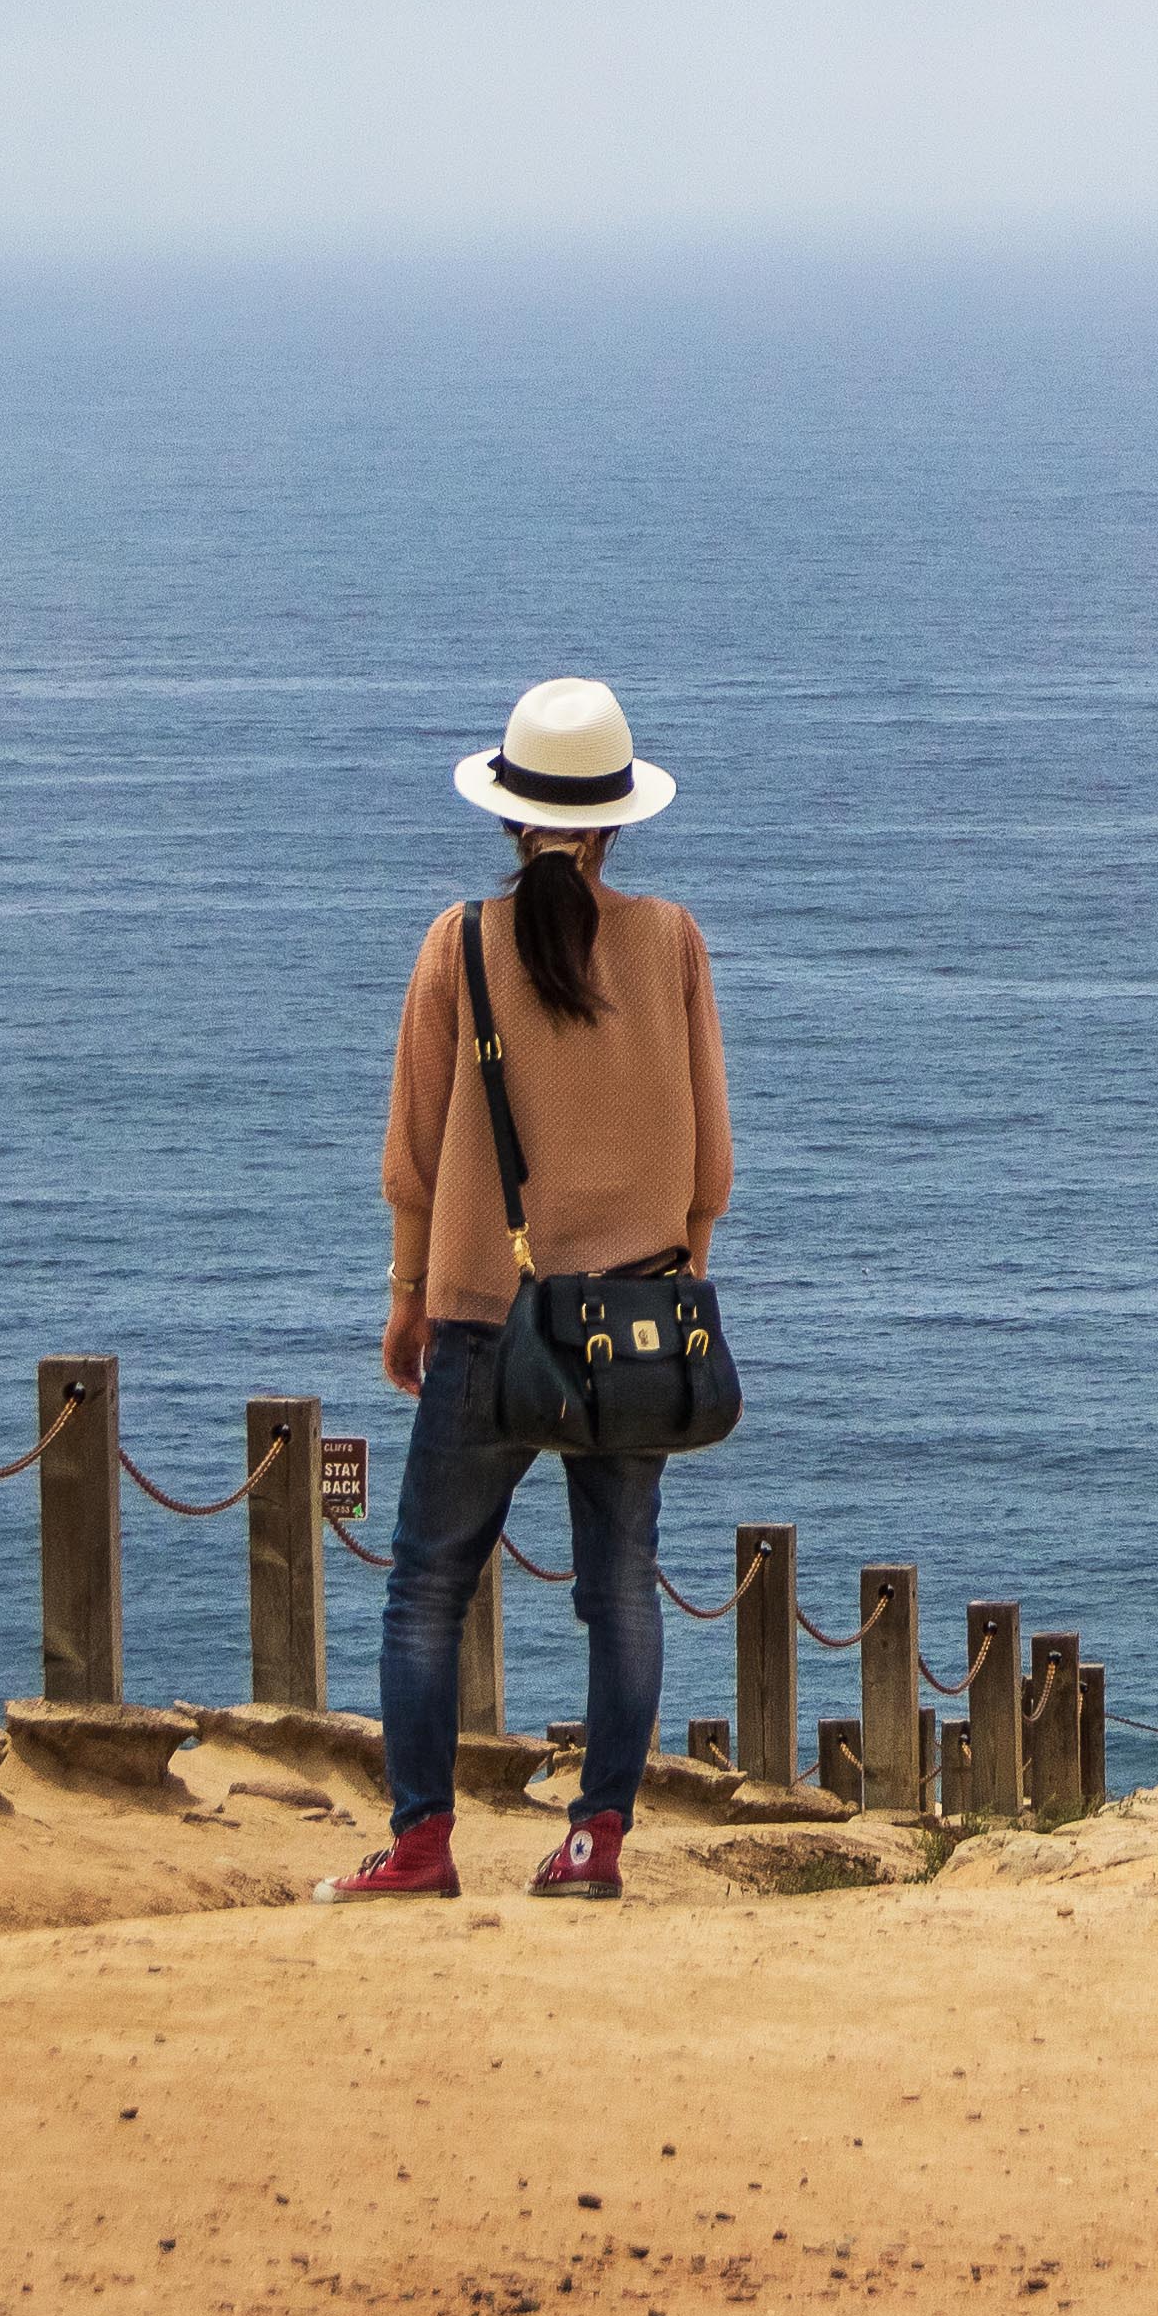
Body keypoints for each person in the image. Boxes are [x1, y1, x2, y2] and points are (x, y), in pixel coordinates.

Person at [327, 676, 729, 1906]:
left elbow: (414, 1153)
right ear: (617, 822)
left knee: (427, 1585)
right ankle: (595, 1842)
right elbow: (711, 1160)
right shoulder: (670, 941)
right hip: (639, 1321)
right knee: (622, 1587)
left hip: (489, 1317)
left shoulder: (460, 944)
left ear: (508, 817)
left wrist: (409, 1294)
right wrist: (681, 1270)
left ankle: (421, 1845)